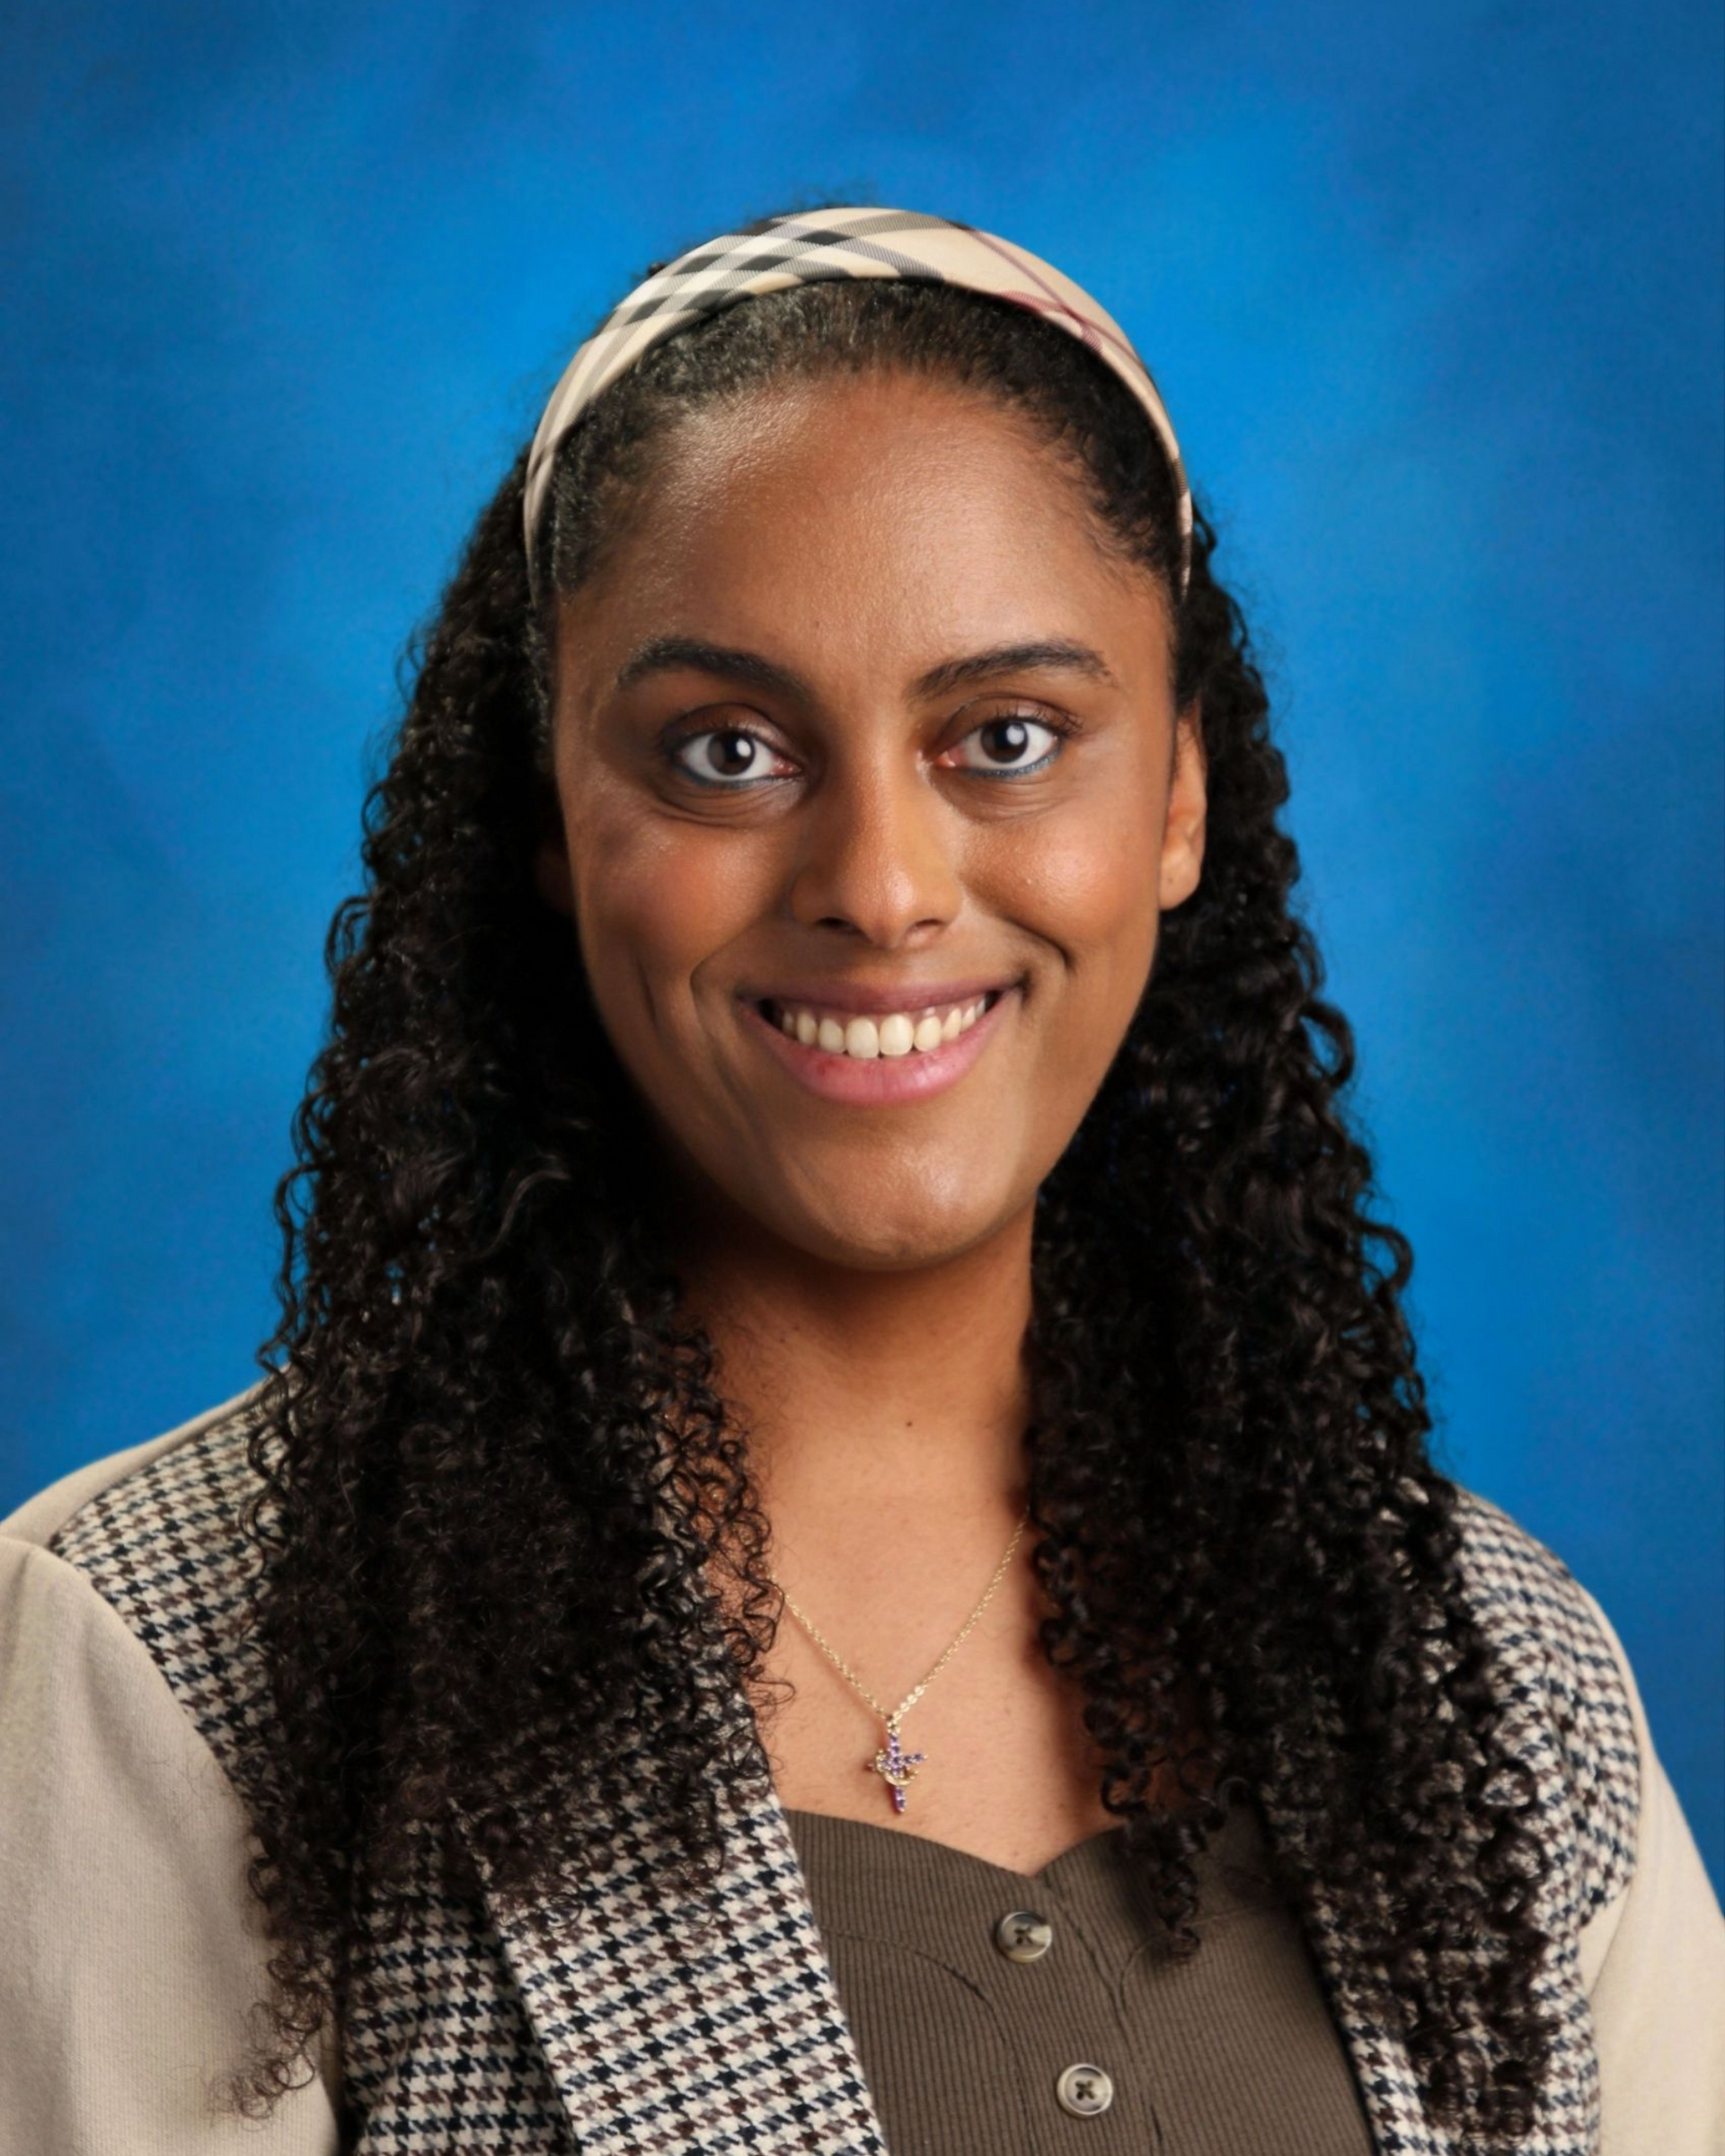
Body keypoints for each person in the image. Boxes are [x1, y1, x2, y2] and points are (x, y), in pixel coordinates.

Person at [1, 202, 1719, 2156]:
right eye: (727, 752)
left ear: (1178, 795)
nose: (883, 889)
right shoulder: (175, 1664)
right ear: (550, 810)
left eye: (1008, 736)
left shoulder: (1494, 1681)